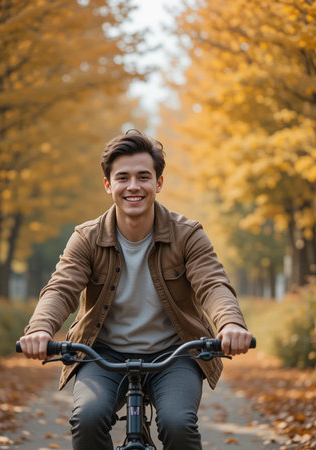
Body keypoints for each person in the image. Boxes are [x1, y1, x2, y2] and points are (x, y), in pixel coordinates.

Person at [20, 130, 253, 450]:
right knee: (86, 420)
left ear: (158, 183)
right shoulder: (86, 238)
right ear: (108, 185)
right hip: (101, 354)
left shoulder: (187, 235)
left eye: (144, 177)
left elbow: (212, 284)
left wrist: (230, 324)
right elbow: (61, 288)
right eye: (123, 177)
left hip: (174, 354)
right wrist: (40, 329)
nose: (133, 186)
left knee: (178, 424)